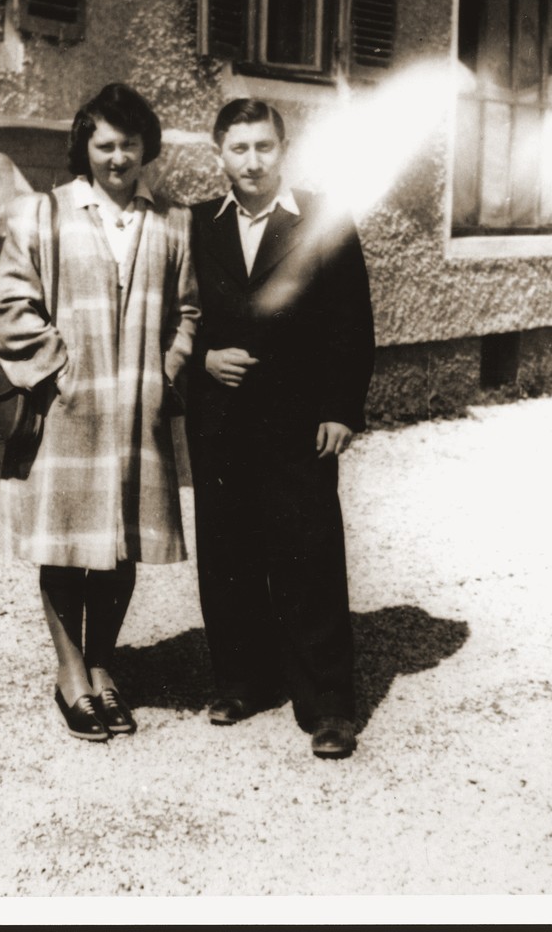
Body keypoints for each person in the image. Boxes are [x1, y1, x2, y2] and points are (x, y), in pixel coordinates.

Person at [0, 83, 198, 742]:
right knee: (64, 544)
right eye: (103, 144)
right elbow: (10, 306)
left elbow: (188, 313)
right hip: (67, 410)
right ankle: (70, 673)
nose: (116, 157)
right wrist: (60, 373)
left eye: (128, 144)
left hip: (139, 410)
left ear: (146, 149)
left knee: (122, 543)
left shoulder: (171, 222)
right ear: (84, 147)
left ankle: (103, 664)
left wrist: (165, 373)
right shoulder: (41, 214)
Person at [186, 99, 375, 759]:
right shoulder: (197, 225)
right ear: (220, 156)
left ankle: (327, 704)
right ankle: (243, 680)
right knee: (229, 555)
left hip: (297, 423)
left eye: (263, 147)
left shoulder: (323, 219)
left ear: (282, 150)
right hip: (220, 423)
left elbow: (351, 322)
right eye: (237, 149)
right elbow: (177, 315)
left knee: (307, 554)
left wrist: (339, 408)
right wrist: (203, 359)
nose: (251, 161)